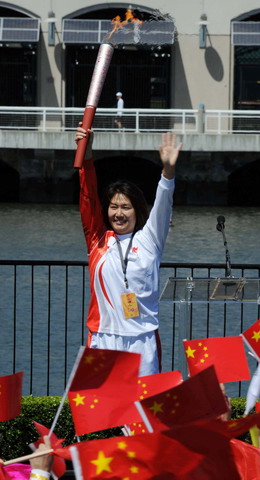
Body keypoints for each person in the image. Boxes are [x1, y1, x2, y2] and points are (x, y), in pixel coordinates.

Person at [75, 126, 181, 375]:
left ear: (137, 210)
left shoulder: (150, 239)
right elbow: (87, 197)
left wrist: (168, 171)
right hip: (103, 337)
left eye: (126, 207)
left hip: (141, 339)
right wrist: (86, 153)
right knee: (102, 410)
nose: (119, 213)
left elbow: (164, 201)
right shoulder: (97, 241)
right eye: (114, 207)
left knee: (143, 410)